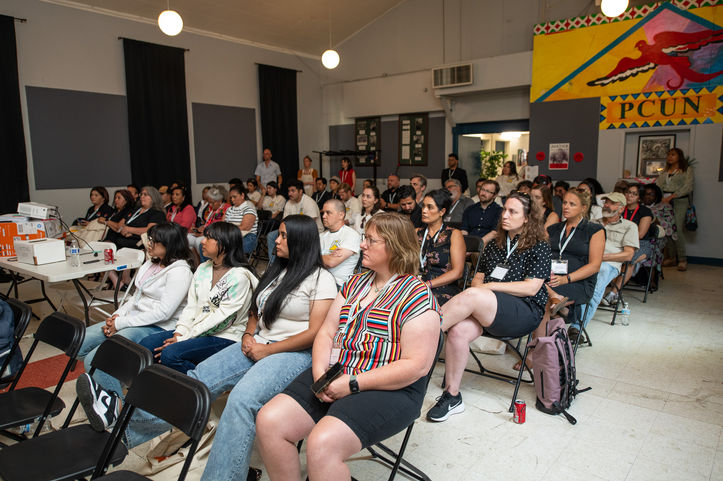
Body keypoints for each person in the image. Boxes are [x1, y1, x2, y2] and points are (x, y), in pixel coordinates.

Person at [116, 215, 336, 481]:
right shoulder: (278, 270)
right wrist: (247, 334)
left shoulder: (321, 279)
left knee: (241, 401)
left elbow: (315, 333)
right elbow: (257, 308)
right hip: (257, 343)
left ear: (301, 240)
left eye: (283, 236)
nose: (276, 240)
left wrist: (268, 350)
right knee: (196, 382)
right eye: (278, 234)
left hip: (292, 352)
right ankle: (122, 429)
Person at [256, 212, 441, 481]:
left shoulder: (417, 295)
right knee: (269, 421)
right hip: (337, 371)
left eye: (370, 240)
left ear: (395, 246)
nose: (362, 245)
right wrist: (320, 374)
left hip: (389, 386)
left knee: (322, 444)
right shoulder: (355, 283)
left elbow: (416, 365)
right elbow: (327, 332)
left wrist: (353, 383)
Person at [426, 192, 551, 422]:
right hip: (490, 307)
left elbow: (532, 288)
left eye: (513, 212)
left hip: (524, 311)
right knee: (458, 331)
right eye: (504, 210)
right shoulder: (495, 244)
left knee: (474, 294)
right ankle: (452, 395)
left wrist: (492, 287)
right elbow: (476, 279)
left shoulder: (539, 246)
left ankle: (422, 334)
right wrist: (485, 289)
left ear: (527, 218)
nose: (505, 215)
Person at [75, 222, 194, 431]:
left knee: (96, 358)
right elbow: (135, 296)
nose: (149, 244)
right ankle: (113, 381)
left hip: (157, 326)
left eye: (155, 241)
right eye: (151, 240)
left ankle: (114, 408)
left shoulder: (180, 272)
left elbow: (163, 312)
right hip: (132, 318)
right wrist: (116, 316)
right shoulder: (152, 263)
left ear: (170, 244)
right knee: (80, 341)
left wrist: (121, 323)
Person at [137, 222, 259, 374]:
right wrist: (179, 332)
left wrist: (185, 338)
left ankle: (202, 384)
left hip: (225, 335)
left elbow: (223, 320)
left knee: (171, 354)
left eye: (208, 238)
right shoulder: (203, 268)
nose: (202, 241)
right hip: (196, 329)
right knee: (147, 345)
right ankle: (164, 387)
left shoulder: (239, 276)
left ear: (224, 244)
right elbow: (191, 306)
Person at [569, 192, 638, 339]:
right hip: (584, 260)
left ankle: (576, 328)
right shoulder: (592, 223)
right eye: (606, 202)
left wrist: (600, 257)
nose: (606, 205)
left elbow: (628, 255)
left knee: (597, 279)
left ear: (621, 208)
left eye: (612, 203)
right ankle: (560, 313)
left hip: (608, 264)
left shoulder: (629, 226)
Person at [605, 183, 655, 305]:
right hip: (618, 242)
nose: (629, 196)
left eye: (634, 194)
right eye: (628, 192)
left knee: (629, 258)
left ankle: (613, 293)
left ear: (639, 197)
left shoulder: (645, 212)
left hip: (641, 244)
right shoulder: (619, 208)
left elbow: (641, 234)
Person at [418, 189, 465, 305]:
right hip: (417, 285)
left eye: (430, 207)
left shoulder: (454, 234)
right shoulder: (416, 233)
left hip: (443, 288)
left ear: (442, 211)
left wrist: (428, 284)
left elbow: (457, 272)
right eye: (423, 206)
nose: (424, 211)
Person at [656, 147, 694, 271]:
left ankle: (682, 259)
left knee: (677, 227)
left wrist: (673, 196)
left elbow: (688, 186)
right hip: (664, 201)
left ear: (679, 156)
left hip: (679, 201)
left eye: (673, 154)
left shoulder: (686, 169)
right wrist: (659, 196)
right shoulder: (665, 171)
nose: (670, 157)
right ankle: (672, 257)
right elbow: (658, 185)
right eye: (668, 155)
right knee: (667, 228)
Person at [321, 199, 362, 288]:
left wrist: (313, 257)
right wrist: (327, 256)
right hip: (320, 280)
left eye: (328, 213)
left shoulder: (351, 235)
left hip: (337, 284)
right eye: (323, 213)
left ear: (341, 215)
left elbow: (331, 262)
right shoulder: (321, 235)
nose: (324, 216)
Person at [188, 186, 229, 259]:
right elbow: (207, 222)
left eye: (212, 203)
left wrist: (204, 232)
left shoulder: (226, 208)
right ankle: (197, 263)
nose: (210, 205)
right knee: (187, 239)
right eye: (209, 202)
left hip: (215, 234)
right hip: (205, 232)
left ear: (219, 201)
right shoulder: (211, 208)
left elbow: (218, 226)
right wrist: (200, 228)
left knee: (198, 242)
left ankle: (206, 261)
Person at [224, 184, 259, 255]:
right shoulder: (229, 209)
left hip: (247, 237)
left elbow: (245, 227)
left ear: (242, 196)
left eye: (234, 197)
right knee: (206, 246)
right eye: (231, 197)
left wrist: (227, 229)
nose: (232, 199)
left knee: (228, 248)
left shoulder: (249, 209)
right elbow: (222, 224)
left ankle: (227, 265)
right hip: (230, 235)